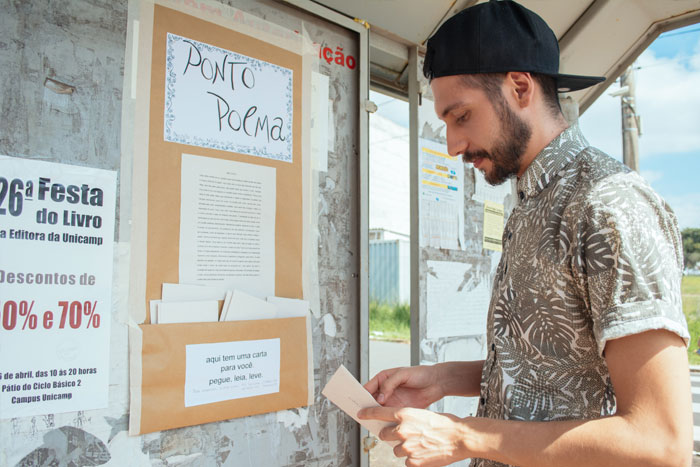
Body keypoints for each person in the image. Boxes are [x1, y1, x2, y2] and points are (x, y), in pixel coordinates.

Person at [358, 1, 692, 466]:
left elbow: (661, 442)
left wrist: (463, 437)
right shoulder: (531, 199)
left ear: (519, 87)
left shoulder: (609, 204)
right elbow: (554, 367)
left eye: (461, 116)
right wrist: (442, 379)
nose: (453, 144)